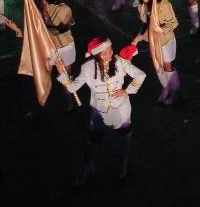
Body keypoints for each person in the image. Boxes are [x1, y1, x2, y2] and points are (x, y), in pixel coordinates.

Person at [56, 37, 146, 184]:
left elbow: (141, 75)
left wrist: (127, 91)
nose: (109, 54)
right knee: (92, 143)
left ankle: (123, 167)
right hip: (99, 112)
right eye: (104, 53)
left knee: (125, 141)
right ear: (97, 55)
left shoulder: (120, 62)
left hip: (121, 111)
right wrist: (62, 73)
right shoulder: (88, 68)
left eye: (110, 50)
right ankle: (86, 170)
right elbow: (72, 88)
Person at [132, 0, 180, 105]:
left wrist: (161, 30)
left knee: (167, 66)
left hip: (166, 40)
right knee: (158, 66)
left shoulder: (164, 5)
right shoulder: (142, 6)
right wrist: (139, 37)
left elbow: (174, 23)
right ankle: (166, 88)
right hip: (153, 42)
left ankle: (175, 92)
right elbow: (145, 25)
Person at [33, 0, 77, 110]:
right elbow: (32, 34)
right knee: (45, 74)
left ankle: (70, 101)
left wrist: (43, 28)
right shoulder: (35, 13)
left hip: (65, 47)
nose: (34, 2)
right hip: (48, 49)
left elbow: (62, 29)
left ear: (43, 0)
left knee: (65, 76)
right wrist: (16, 29)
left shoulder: (62, 9)